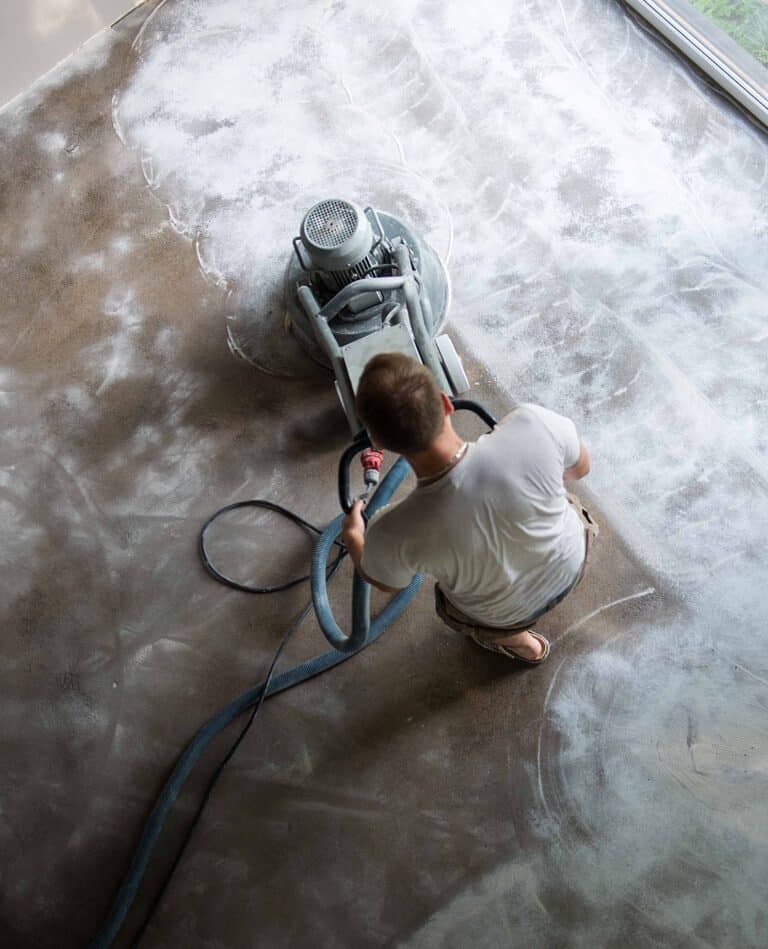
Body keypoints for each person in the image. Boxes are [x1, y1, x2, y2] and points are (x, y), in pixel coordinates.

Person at [341, 352, 597, 664]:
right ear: (446, 402)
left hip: (504, 615)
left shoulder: (391, 532)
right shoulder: (533, 424)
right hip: (574, 561)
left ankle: (524, 645)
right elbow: (580, 468)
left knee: (451, 607)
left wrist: (355, 535)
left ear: (378, 443)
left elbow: (386, 582)